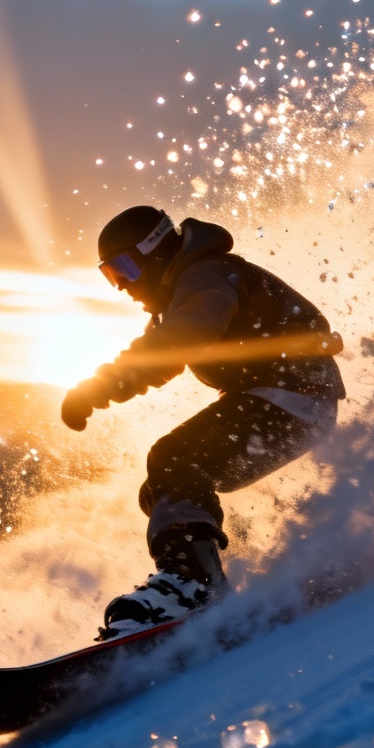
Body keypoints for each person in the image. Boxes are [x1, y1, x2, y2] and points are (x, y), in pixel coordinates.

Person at [61, 206, 345, 638]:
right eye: (110, 276)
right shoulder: (190, 286)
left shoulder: (207, 275)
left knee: (175, 459)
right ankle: (221, 573)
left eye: (124, 269)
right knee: (163, 489)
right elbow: (165, 336)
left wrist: (100, 387)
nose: (122, 287)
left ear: (154, 252)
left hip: (292, 395)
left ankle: (193, 585)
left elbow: (183, 337)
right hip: (290, 400)